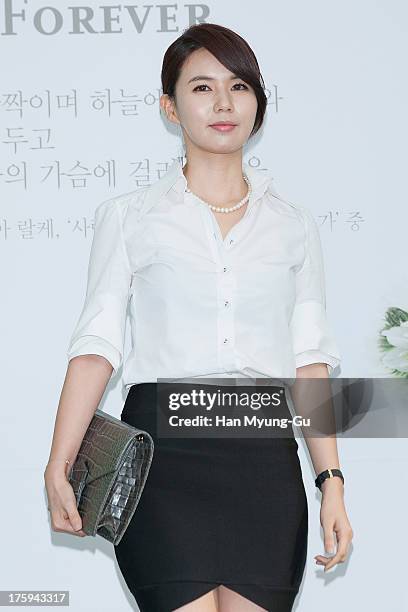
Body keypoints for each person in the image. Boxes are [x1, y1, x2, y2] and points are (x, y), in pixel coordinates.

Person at [44, 23, 353, 612]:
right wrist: (59, 464)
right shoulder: (130, 216)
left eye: (238, 86)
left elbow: (310, 360)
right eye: (202, 87)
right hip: (162, 460)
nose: (222, 103)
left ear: (258, 103)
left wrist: (331, 486)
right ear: (170, 106)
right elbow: (97, 345)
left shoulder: (294, 223)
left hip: (263, 458)